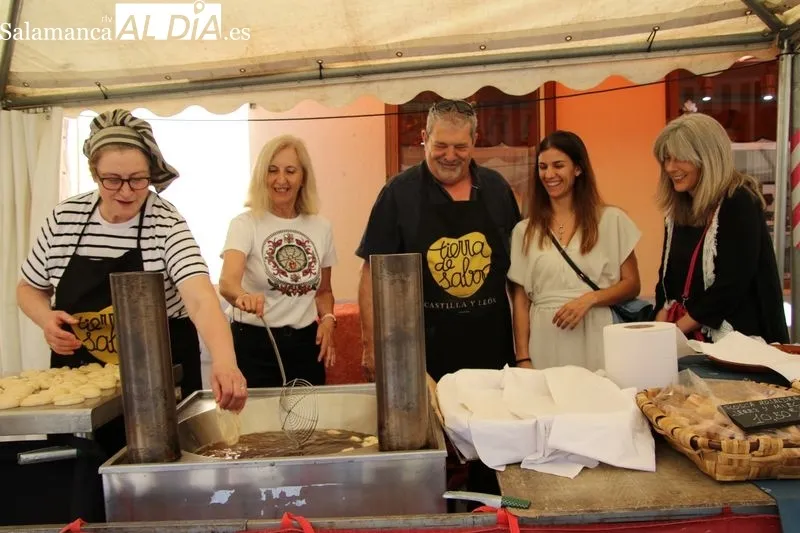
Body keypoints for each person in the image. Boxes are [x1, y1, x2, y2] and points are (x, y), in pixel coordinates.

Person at [17, 108, 247, 410]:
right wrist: (45, 318)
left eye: (138, 180)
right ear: (94, 174)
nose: (126, 192)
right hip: (80, 383)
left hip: (158, 381)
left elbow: (200, 299)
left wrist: (225, 361)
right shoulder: (64, 219)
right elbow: (29, 288)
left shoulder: (164, 222)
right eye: (112, 180)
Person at [357, 99, 521, 382]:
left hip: (492, 347)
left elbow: (517, 275)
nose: (450, 156)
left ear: (475, 141)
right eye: (441, 145)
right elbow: (371, 273)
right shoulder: (399, 193)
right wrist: (371, 346)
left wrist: (523, 350)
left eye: (460, 147)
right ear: (425, 138)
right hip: (421, 353)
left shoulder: (497, 189)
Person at [508, 131, 642, 371]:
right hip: (545, 339)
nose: (549, 174)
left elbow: (632, 284)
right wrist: (523, 357)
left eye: (558, 165)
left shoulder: (611, 220)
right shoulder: (524, 231)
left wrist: (590, 299)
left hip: (596, 332)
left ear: (578, 169)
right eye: (543, 167)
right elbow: (521, 301)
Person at [652, 113, 789, 343]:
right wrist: (660, 325)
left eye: (680, 158)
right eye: (666, 159)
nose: (670, 167)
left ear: (707, 157)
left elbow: (732, 283)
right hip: (689, 340)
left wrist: (675, 330)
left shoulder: (738, 200)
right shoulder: (678, 207)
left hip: (738, 340)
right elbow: (667, 279)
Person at [219, 135, 337, 388]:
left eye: (290, 171)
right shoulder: (244, 224)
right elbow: (227, 283)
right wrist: (243, 297)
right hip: (253, 343)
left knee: (310, 413)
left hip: (305, 345)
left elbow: (324, 292)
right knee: (258, 414)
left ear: (303, 177)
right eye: (272, 170)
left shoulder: (321, 227)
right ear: (262, 176)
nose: (280, 179)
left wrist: (328, 319)